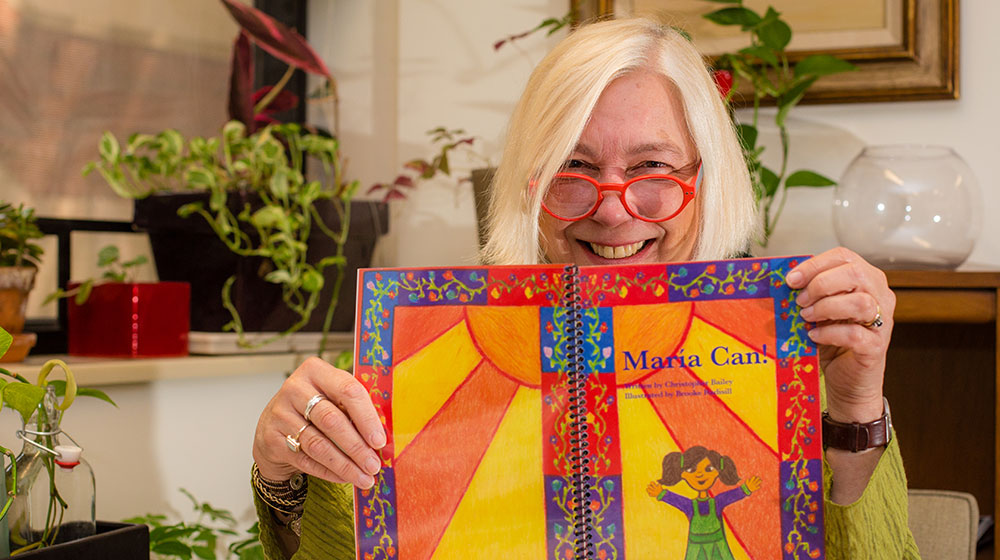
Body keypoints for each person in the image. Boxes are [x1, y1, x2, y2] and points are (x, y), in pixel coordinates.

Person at [250, 17, 919, 559]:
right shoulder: (409, 365)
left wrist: (857, 408)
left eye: (650, 167)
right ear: (527, 184)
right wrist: (280, 478)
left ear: (705, 184)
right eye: (575, 167)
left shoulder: (783, 355)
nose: (613, 209)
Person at [646, 446, 763, 560]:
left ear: (718, 472)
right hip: (696, 551)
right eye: (691, 470)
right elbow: (676, 500)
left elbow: (731, 496)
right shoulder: (690, 506)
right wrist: (661, 493)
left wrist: (746, 489)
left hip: (718, 550)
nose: (700, 474)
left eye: (709, 469)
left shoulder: (717, 502)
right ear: (682, 474)